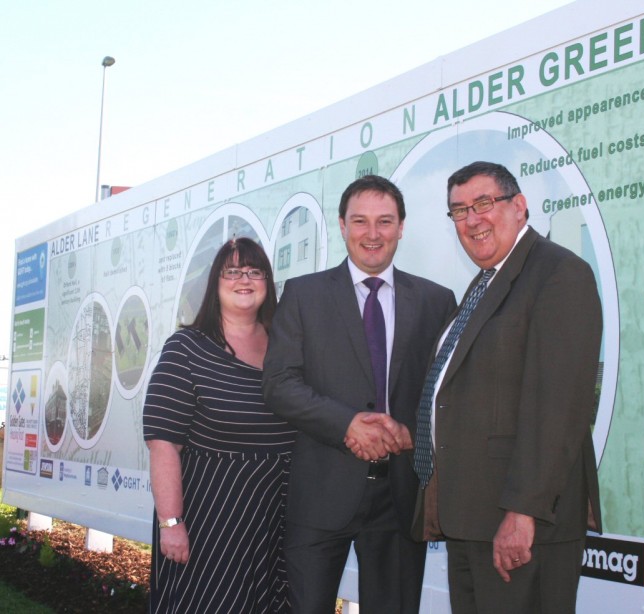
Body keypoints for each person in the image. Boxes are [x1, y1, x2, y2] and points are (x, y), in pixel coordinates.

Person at [412, 161, 603, 613]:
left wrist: (523, 512)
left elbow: (559, 408)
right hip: (472, 519)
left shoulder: (558, 275)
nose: (472, 219)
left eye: (483, 203)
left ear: (519, 207)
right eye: (459, 211)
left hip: (518, 524)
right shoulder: (485, 284)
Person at [262, 175, 456, 614]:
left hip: (401, 497)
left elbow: (449, 394)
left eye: (385, 221)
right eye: (361, 221)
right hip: (320, 493)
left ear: (402, 227)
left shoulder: (436, 301)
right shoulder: (302, 295)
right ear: (342, 225)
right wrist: (345, 423)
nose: (373, 234)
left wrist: (410, 433)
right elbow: (279, 384)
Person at [143, 237, 295, 613]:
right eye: (232, 271)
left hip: (277, 520)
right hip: (210, 520)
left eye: (254, 271)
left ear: (267, 281)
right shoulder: (186, 348)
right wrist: (172, 523)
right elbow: (164, 444)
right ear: (215, 282)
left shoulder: (288, 348)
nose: (244, 279)